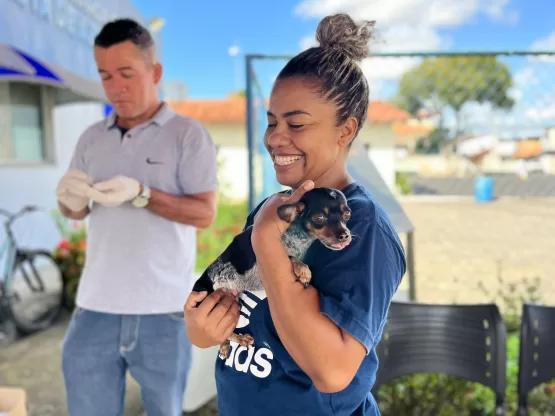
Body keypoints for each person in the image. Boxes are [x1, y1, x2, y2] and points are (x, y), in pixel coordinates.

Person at [183, 13, 406, 416]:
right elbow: (221, 309)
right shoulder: (272, 211)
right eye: (271, 122)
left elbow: (333, 370)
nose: (275, 137)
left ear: (345, 130)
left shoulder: (361, 225)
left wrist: (267, 244)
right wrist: (202, 329)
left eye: (296, 124)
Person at [56, 18, 218, 416]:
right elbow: (76, 211)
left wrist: (143, 194)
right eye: (106, 75)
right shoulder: (91, 137)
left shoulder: (187, 135)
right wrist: (69, 198)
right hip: (95, 307)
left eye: (127, 73)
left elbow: (204, 213)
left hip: (163, 310)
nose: (116, 87)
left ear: (155, 72)